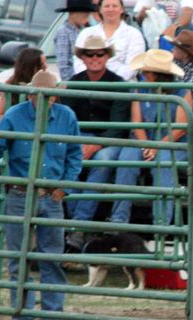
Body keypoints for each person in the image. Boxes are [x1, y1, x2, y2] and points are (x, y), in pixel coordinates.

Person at [0, 71, 82, 320]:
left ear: (54, 95)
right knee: (19, 258)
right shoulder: (15, 115)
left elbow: (75, 153)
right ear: (30, 93)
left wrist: (65, 186)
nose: (42, 98)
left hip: (50, 195)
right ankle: (23, 316)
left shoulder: (67, 117)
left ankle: (51, 317)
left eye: (47, 94)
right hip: (20, 193)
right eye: (37, 93)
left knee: (50, 257)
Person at [61, 36, 131, 249]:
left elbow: (118, 125)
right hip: (80, 137)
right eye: (89, 54)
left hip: (108, 140)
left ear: (107, 56)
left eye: (99, 53)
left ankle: (77, 226)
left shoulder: (119, 85)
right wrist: (79, 142)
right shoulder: (74, 82)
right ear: (82, 57)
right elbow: (67, 119)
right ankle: (78, 226)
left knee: (102, 161)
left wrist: (96, 144)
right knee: (68, 162)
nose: (95, 58)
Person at [109, 49, 193, 226]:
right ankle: (118, 218)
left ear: (158, 74)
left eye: (147, 72)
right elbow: (137, 122)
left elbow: (180, 129)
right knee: (127, 159)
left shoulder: (183, 92)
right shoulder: (141, 88)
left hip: (172, 144)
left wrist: (156, 146)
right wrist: (148, 145)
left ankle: (161, 222)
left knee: (164, 162)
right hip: (146, 141)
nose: (143, 74)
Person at [74, 0, 146, 80]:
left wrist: (112, 82)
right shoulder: (86, 33)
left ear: (122, 9)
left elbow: (133, 65)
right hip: (88, 86)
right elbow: (78, 61)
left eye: (114, 6)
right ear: (100, 9)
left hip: (123, 88)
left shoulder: (134, 34)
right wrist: (91, 80)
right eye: (106, 6)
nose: (110, 9)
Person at [0, 48, 47, 122]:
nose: (46, 68)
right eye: (41, 65)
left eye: (45, 65)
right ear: (29, 66)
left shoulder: (48, 85)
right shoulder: (11, 86)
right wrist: (16, 123)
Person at [53, 0, 98, 81]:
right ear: (73, 13)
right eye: (85, 13)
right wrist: (73, 84)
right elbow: (64, 65)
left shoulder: (85, 30)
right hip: (76, 82)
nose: (87, 17)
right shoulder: (64, 32)